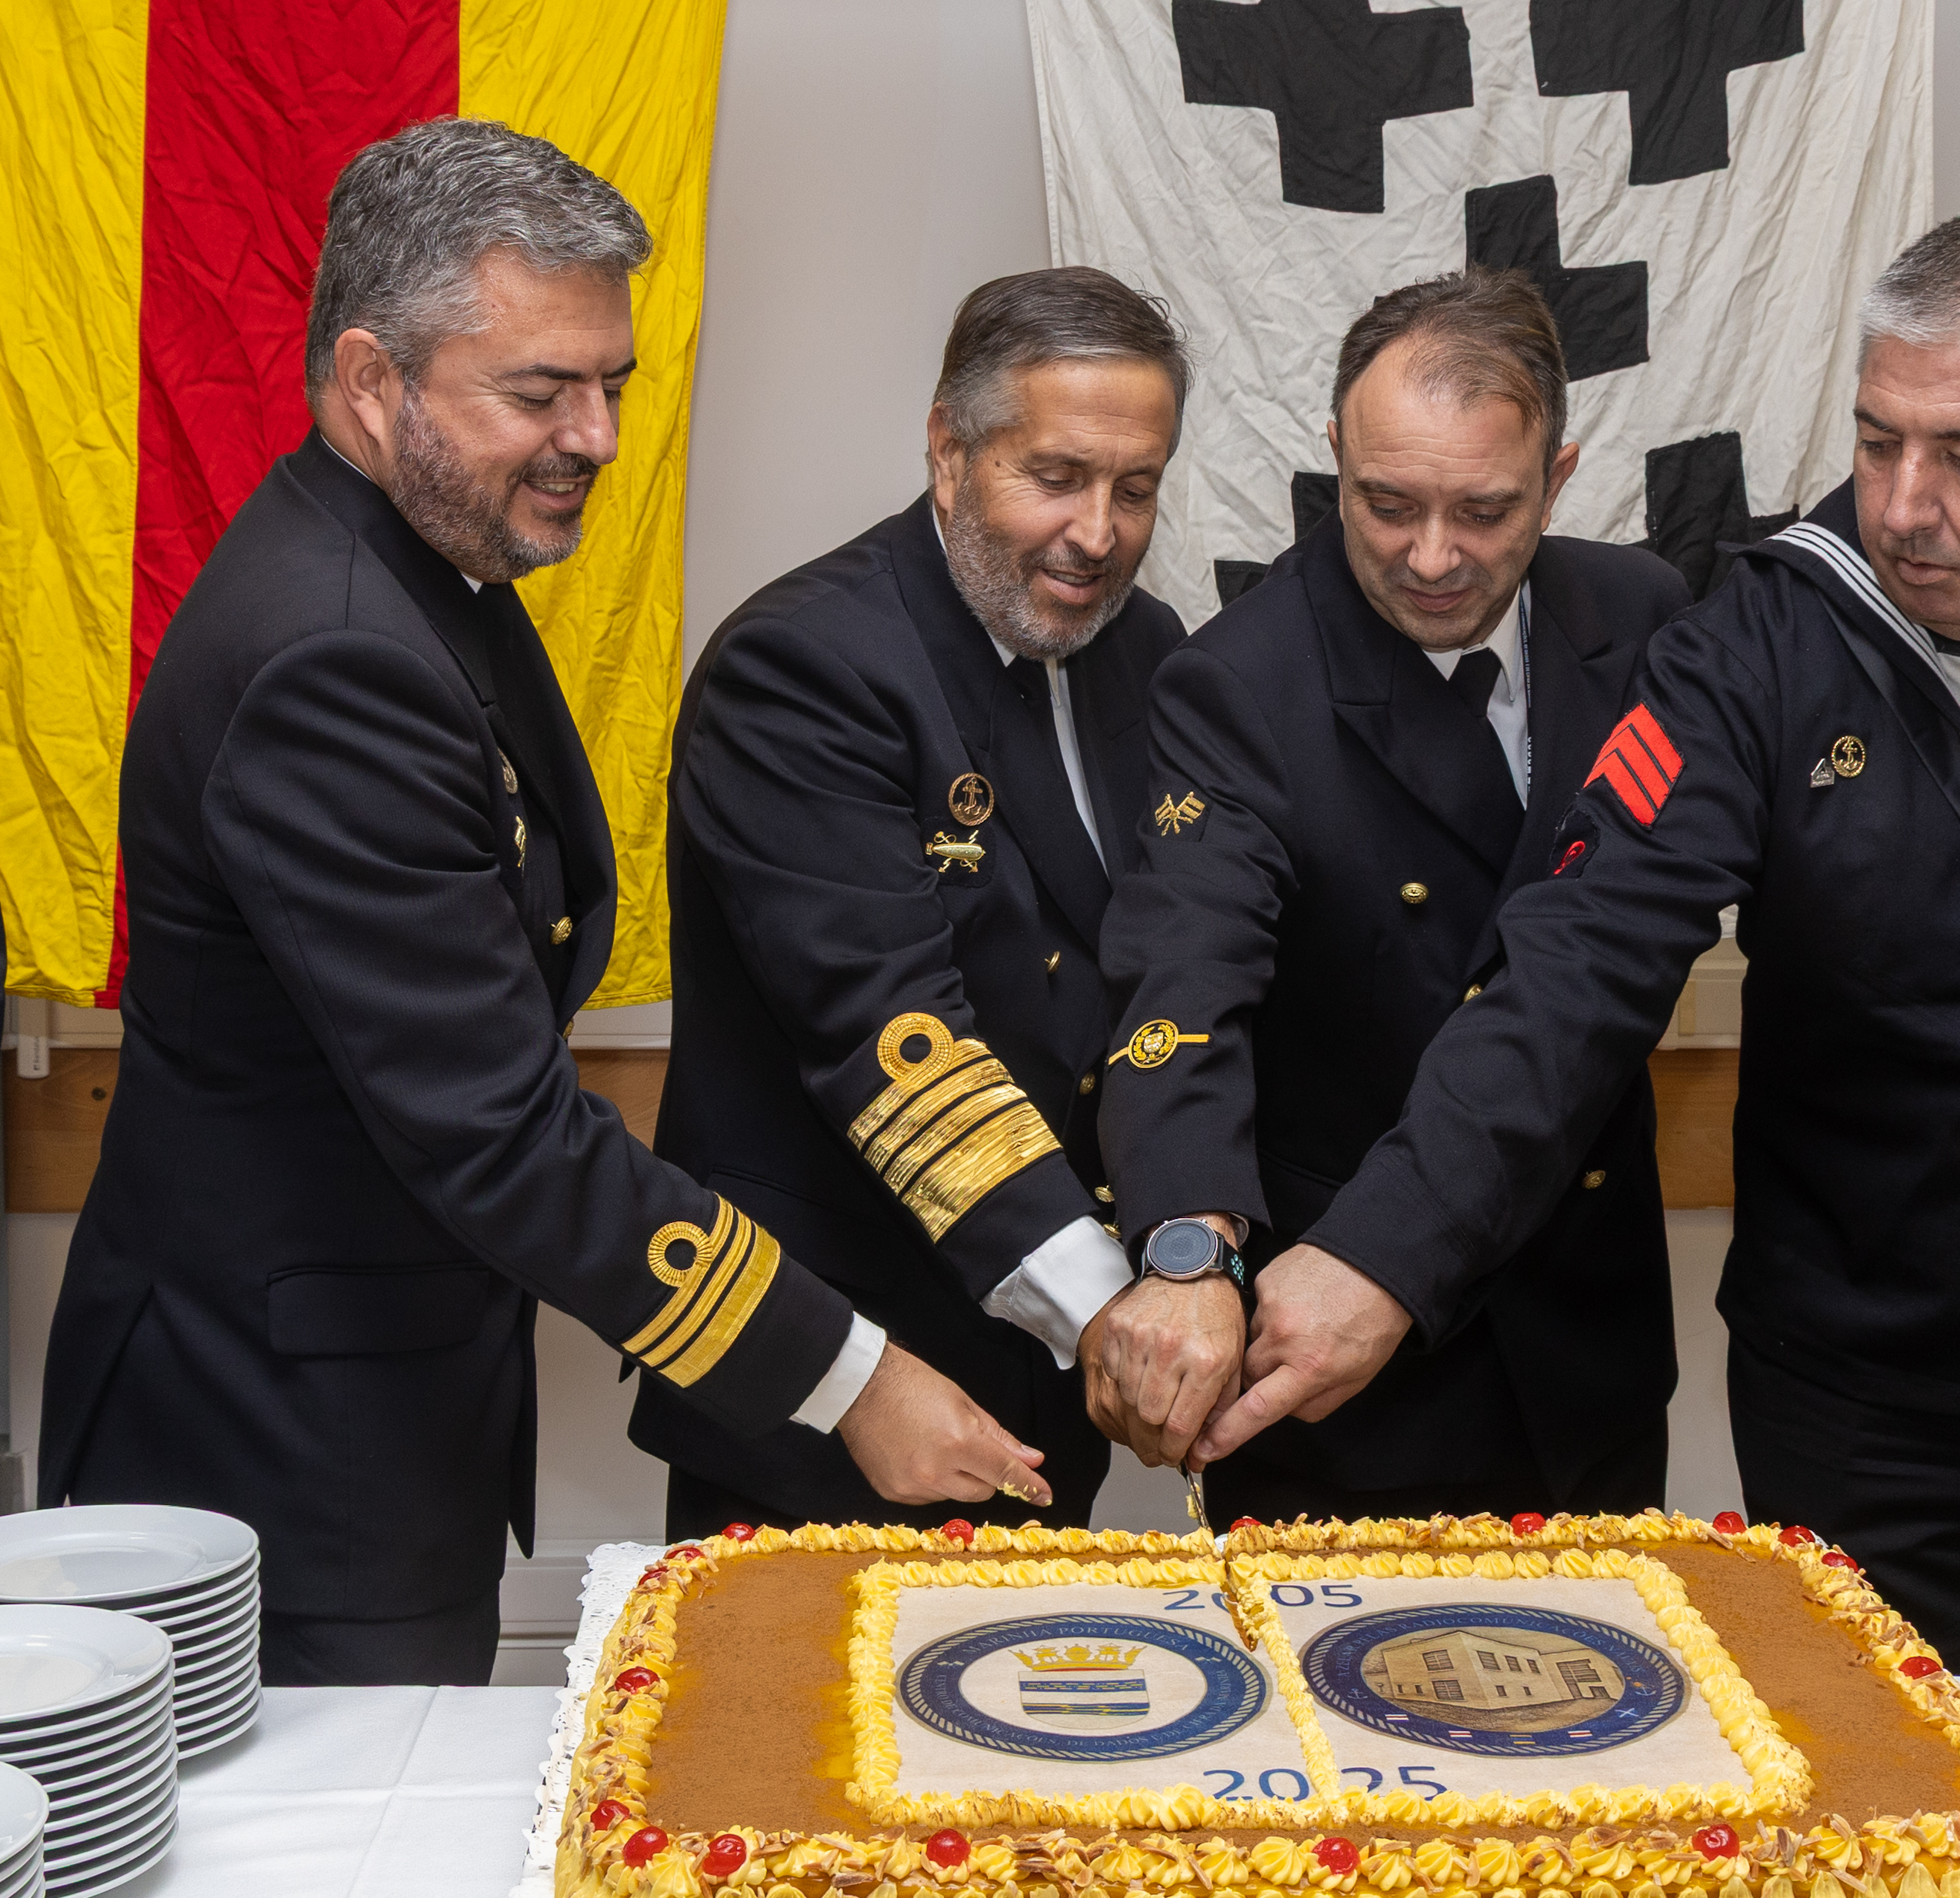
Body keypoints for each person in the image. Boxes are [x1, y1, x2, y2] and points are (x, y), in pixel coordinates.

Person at [1195, 211, 1960, 1669]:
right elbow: (1585, 960)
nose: (1902, 505)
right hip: (1870, 1381)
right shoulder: (1762, 640)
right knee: (1870, 1806)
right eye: (1877, 439)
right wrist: (1389, 1253)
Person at [37, 119, 1041, 1688]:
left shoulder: (423, 573)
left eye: (612, 383)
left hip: (360, 1396)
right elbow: (502, 1132)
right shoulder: (339, 654)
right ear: (372, 383)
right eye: (539, 391)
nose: (598, 435)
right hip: (269, 1447)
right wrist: (850, 1377)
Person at [630, 268, 1243, 1538]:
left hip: (1047, 1379)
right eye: (1057, 475)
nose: (1099, 532)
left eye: (1137, 488)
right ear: (949, 451)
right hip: (836, 1377)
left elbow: (1177, 970)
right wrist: (1116, 1318)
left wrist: (1193, 1253)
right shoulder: (804, 666)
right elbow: (889, 1032)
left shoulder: (1151, 650)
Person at [1097, 268, 1692, 1523]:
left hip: (1589, 1339)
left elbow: (1598, 966)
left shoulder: (1641, 615)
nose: (1434, 558)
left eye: (1486, 510)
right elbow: (1186, 972)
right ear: (1333, 459)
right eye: (1388, 505)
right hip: (1344, 1366)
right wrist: (1187, 1245)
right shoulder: (1239, 682)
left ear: (1562, 473)